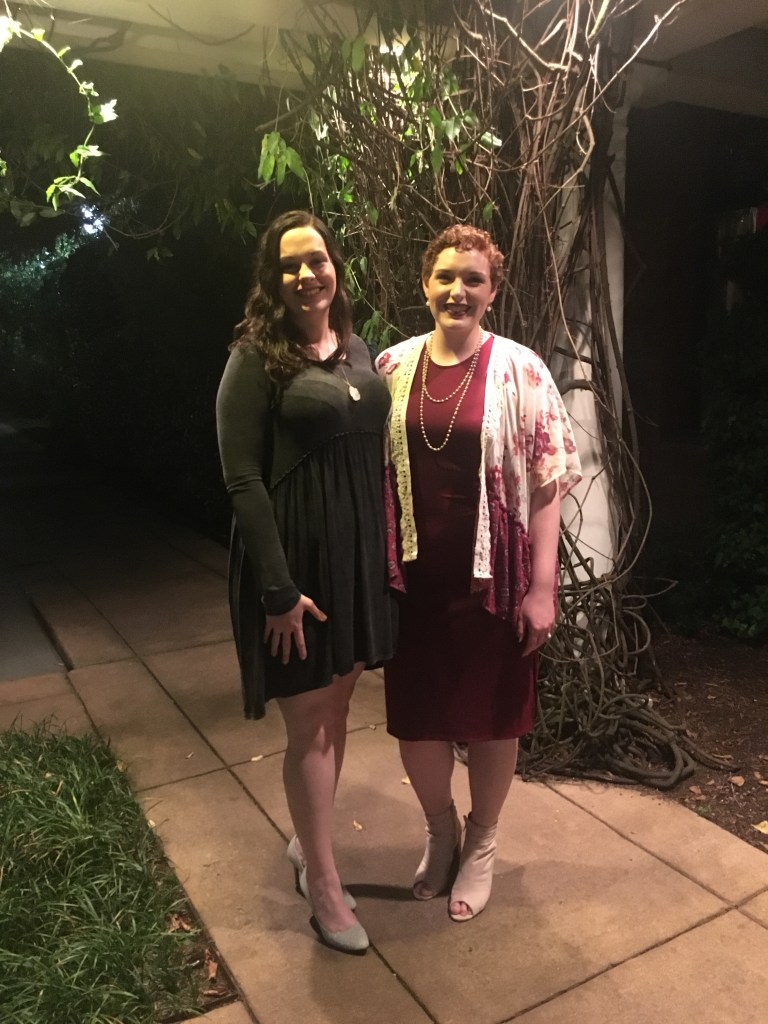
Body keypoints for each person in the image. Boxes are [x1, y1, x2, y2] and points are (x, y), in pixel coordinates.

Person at [375, 224, 581, 922]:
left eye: (473, 279)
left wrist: (543, 588)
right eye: (445, 276)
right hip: (412, 584)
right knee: (417, 724)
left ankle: (483, 843)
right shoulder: (391, 366)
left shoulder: (522, 368)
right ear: (425, 283)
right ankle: (442, 833)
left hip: (494, 584)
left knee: (493, 722)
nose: (457, 290)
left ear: (492, 291)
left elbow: (549, 483)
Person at [216, 210, 396, 955]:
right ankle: (322, 884)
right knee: (311, 724)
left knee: (338, 705)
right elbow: (241, 479)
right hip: (294, 570)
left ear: (334, 267)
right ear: (274, 280)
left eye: (316, 260)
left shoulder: (356, 348)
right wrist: (278, 590)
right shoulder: (255, 357)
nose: (305, 275)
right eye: (289, 265)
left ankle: (306, 842)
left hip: (354, 561)